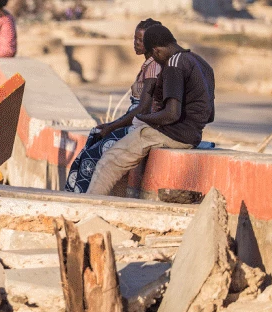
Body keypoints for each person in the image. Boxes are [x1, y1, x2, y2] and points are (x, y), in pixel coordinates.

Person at [86, 25, 215, 196]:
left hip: (173, 134)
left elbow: (171, 114)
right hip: (193, 136)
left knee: (108, 162)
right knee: (122, 168)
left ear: (156, 50)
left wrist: (145, 118)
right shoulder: (202, 63)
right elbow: (210, 115)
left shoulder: (174, 64)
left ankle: (89, 208)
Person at [64, 19, 163, 193]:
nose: (135, 43)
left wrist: (112, 126)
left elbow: (142, 108)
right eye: (135, 39)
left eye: (140, 40)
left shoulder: (154, 67)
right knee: (92, 141)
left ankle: (82, 199)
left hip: (140, 125)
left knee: (91, 156)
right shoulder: (148, 65)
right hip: (134, 120)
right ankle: (75, 194)